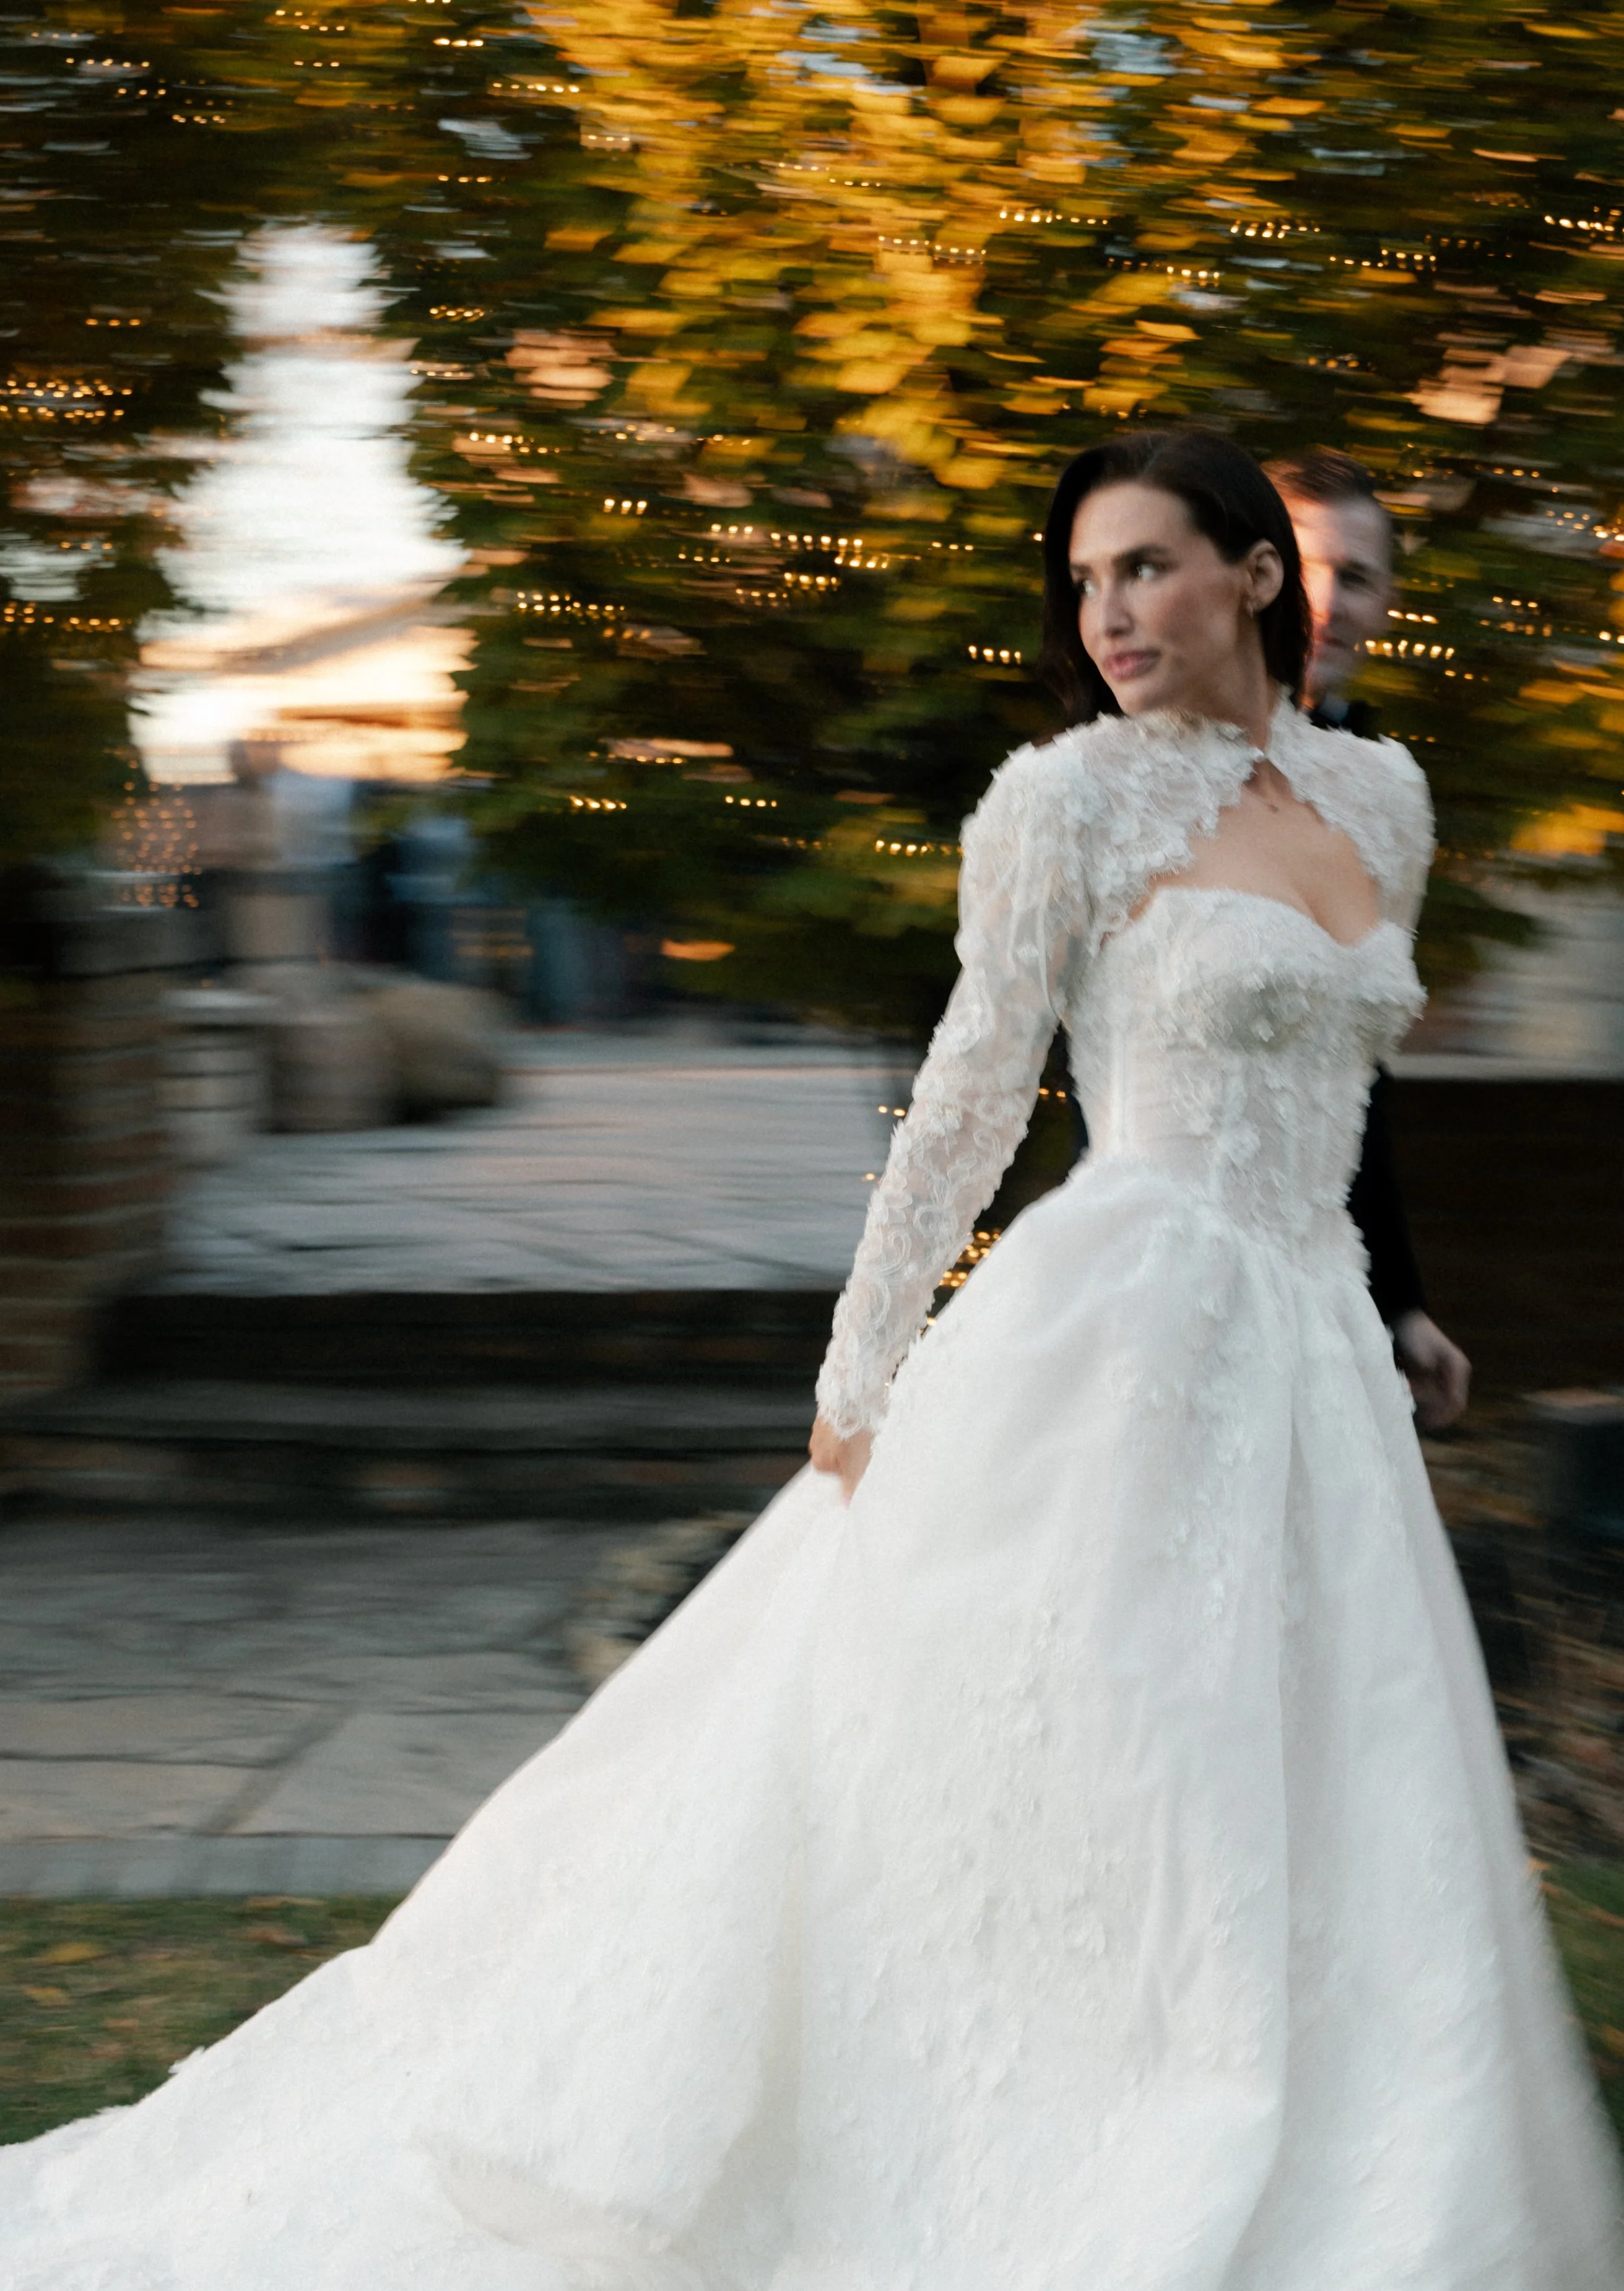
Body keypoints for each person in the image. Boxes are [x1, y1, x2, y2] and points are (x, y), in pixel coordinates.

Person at [4, 429, 1620, 2288]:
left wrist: (1388, 1290)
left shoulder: (1383, 801)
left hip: (1310, 1347)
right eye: (1086, 580)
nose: (1106, 614)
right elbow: (963, 1093)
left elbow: (1340, 1087)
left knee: (1305, 1770)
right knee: (1064, 1763)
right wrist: (864, 1368)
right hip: (1118, 1335)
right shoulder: (1065, 801)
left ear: (1258, 573)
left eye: (1147, 569)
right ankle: (1030, 2134)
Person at [1267, 446, 1474, 1431]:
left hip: (1322, 1288)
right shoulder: (1149, 770)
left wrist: (1400, 1302)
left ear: (1389, 602)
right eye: (1304, 567)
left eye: (1356, 577)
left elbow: (1359, 1078)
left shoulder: (1387, 793)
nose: (1327, 602)